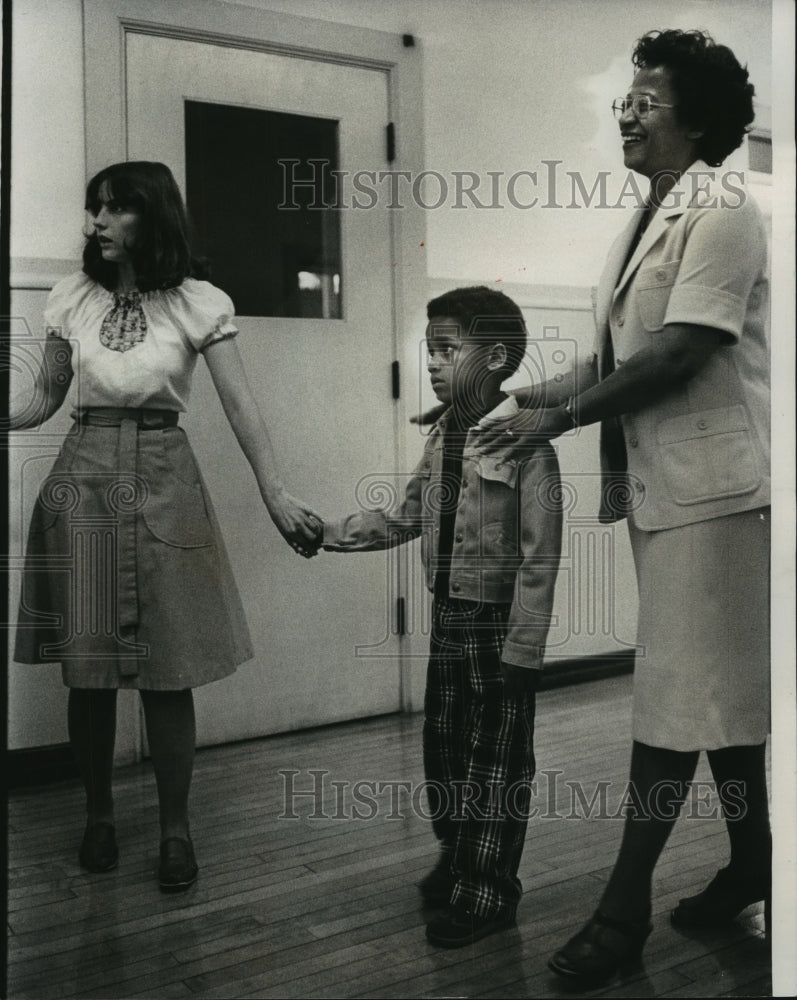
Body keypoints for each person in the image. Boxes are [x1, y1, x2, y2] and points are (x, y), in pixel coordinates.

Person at [473, 29, 769, 987]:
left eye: (646, 97)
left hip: (718, 499)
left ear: (696, 113)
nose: (625, 111)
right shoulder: (648, 215)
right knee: (716, 697)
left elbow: (680, 352)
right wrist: (529, 396)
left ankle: (622, 911)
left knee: (673, 702)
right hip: (673, 493)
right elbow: (615, 356)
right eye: (624, 97)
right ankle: (755, 865)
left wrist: (554, 422)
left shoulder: (722, 206)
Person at [11, 161, 320, 892]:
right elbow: (47, 397)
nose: (96, 223)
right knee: (86, 674)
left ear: (153, 217)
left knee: (167, 671)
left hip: (164, 478)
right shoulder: (69, 297)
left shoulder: (197, 302)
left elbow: (242, 407)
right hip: (82, 474)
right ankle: (98, 816)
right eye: (93, 208)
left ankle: (175, 829)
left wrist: (274, 493)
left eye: (116, 209)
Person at [322, 286, 562, 947]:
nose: (430, 363)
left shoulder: (529, 447)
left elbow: (541, 560)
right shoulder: (440, 437)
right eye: (427, 350)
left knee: (496, 762)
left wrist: (525, 649)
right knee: (447, 752)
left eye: (445, 350)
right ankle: (457, 858)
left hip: (500, 628)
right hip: (448, 619)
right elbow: (403, 514)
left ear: (494, 358)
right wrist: (330, 533)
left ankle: (487, 892)